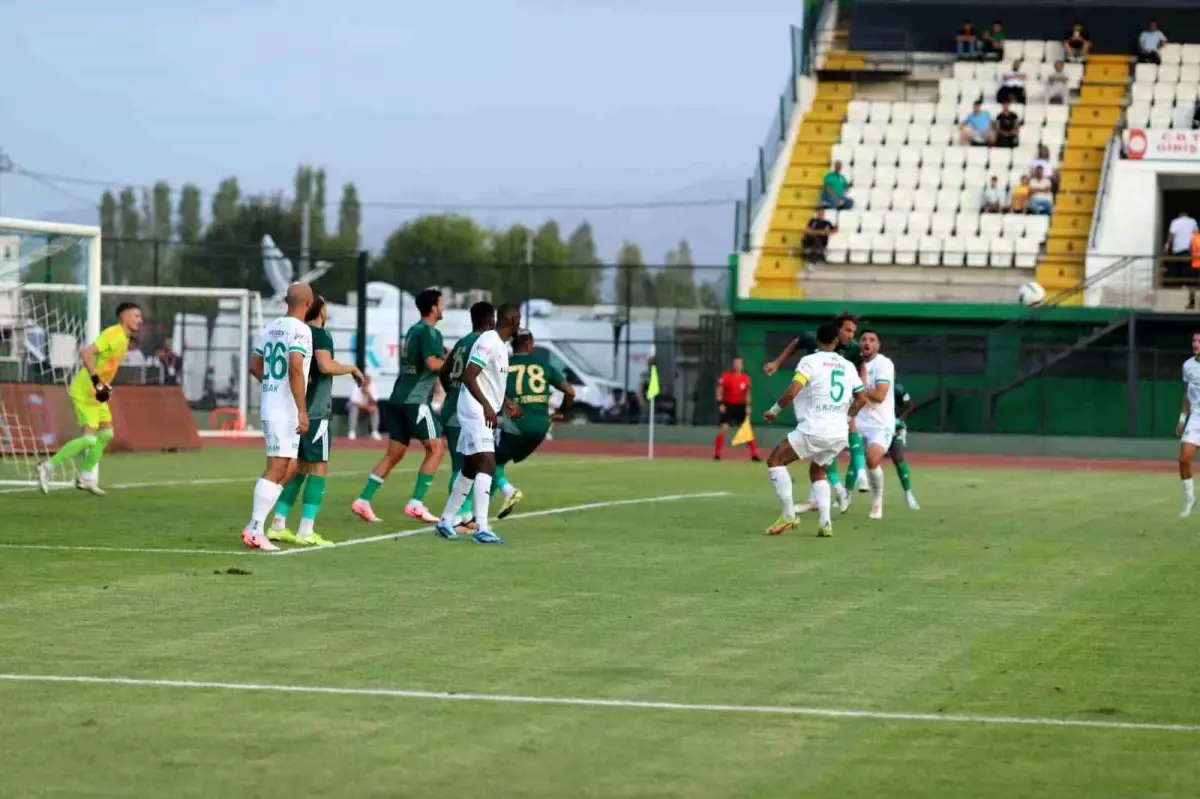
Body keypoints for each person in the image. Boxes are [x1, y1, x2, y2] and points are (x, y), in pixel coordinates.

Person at [267, 294, 363, 548]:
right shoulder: (319, 334)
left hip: (295, 410)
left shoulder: (294, 331)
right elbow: (325, 365)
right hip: (315, 412)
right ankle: (306, 530)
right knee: (318, 469)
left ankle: (277, 524)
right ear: (320, 310)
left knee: (298, 469)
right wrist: (352, 368)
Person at [761, 321, 866, 537]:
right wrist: (847, 417)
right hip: (838, 433)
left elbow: (792, 392)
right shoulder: (847, 365)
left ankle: (789, 515)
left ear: (817, 340)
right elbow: (862, 398)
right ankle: (826, 523)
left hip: (814, 429)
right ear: (837, 341)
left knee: (775, 461)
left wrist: (773, 411)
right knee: (818, 470)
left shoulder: (809, 361)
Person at [352, 288, 446, 524]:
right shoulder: (432, 333)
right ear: (434, 307)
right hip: (415, 400)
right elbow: (433, 364)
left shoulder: (414, 331)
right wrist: (455, 362)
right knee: (436, 448)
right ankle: (416, 503)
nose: (443, 308)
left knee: (394, 453)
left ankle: (363, 501)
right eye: (441, 304)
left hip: (397, 397)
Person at [434, 304, 523, 544]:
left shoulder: (502, 345)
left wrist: (506, 403)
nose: (520, 324)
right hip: (474, 410)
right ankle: (481, 527)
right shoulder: (489, 340)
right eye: (519, 319)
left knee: (470, 468)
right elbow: (469, 374)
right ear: (511, 320)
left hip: (480, 408)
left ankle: (445, 521)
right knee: (488, 464)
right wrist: (485, 406)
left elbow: (488, 380)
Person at [37, 302, 144, 495]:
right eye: (136, 316)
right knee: (88, 438)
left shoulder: (125, 338)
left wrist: (103, 386)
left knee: (106, 434)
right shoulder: (113, 333)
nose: (140, 320)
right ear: (124, 316)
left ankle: (86, 477)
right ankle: (47, 465)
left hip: (98, 392)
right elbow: (86, 353)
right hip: (86, 389)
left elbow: (106, 366)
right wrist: (96, 382)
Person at [240, 283, 313, 551]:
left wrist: (272, 385)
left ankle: (255, 526)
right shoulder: (301, 330)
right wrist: (302, 410)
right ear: (308, 304)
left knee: (290, 467)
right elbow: (295, 368)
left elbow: (254, 366)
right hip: (285, 410)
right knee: (278, 467)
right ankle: (256, 528)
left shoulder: (271, 327)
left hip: (272, 403)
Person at [491, 329, 577, 520]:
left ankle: (507, 492)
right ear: (529, 345)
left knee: (486, 461)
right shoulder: (543, 366)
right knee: (497, 463)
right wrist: (561, 412)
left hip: (515, 425)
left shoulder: (505, 366)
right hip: (540, 428)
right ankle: (480, 514)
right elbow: (570, 392)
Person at [437, 301, 497, 532]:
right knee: (466, 464)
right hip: (467, 410)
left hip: (453, 406)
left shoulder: (463, 342)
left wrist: (452, 391)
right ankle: (461, 517)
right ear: (490, 320)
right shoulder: (483, 342)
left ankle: (462, 516)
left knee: (468, 462)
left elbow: (444, 371)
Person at [856, 329, 896, 520]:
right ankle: (833, 496)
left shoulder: (883, 364)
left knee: (872, 460)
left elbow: (879, 396)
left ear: (877, 346)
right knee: (825, 450)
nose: (867, 342)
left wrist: (859, 385)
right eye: (863, 339)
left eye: (872, 340)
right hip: (856, 419)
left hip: (880, 423)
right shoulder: (852, 363)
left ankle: (876, 501)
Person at [714, 356, 761, 462]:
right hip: (728, 406)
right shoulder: (725, 376)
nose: (738, 365)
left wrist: (748, 406)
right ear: (733, 364)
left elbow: (747, 394)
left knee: (748, 430)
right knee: (724, 428)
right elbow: (719, 390)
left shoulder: (745, 378)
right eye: (736, 363)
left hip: (740, 406)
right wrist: (720, 403)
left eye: (740, 363)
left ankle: (754, 454)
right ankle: (717, 454)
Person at [1178, 332, 1200, 517]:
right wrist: (1182, 419)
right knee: (1184, 459)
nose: (1196, 343)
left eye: (1199, 341)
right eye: (1194, 340)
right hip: (1196, 419)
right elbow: (1187, 395)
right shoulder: (1188, 366)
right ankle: (1190, 499)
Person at [890, 381, 919, 510]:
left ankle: (908, 493)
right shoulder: (868, 385)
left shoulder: (897, 389)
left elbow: (910, 405)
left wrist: (899, 419)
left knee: (898, 457)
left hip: (893, 427)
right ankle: (846, 494)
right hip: (873, 426)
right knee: (860, 456)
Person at [1164, 210, 1199, 292]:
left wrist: (1167, 246)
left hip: (1177, 248)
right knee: (1187, 267)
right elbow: (1196, 234)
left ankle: (1178, 285)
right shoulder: (1192, 221)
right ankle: (1187, 285)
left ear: (1179, 214)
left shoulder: (1175, 222)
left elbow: (1171, 235)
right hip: (1189, 248)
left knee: (1178, 266)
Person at [347, 373, 381, 441]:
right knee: (354, 408)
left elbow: (375, 402)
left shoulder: (373, 387)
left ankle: (374, 431)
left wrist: (368, 394)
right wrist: (367, 407)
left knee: (375, 409)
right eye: (365, 381)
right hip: (356, 406)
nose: (367, 383)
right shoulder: (357, 386)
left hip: (366, 408)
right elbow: (354, 402)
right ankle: (352, 431)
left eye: (368, 381)